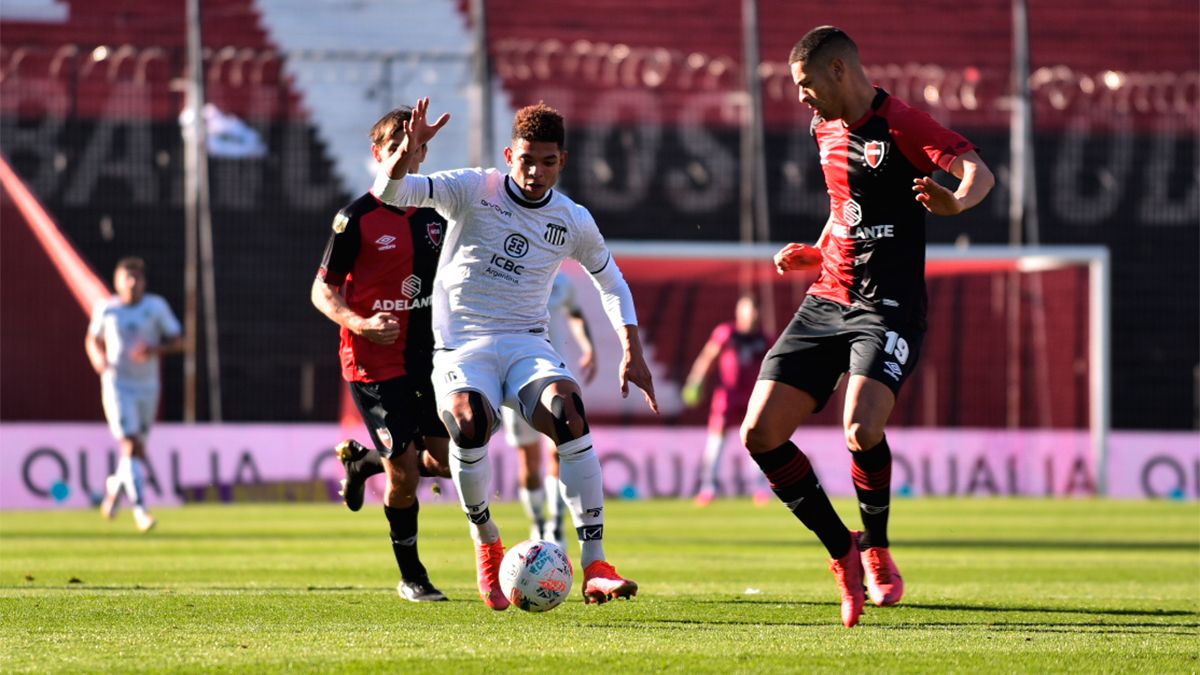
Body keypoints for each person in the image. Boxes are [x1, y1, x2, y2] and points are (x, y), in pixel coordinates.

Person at [740, 26, 994, 628]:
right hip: (827, 298)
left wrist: (956, 202)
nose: (801, 98)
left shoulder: (903, 123)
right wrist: (819, 250)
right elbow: (842, 205)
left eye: (805, 86)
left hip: (889, 306)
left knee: (859, 425)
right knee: (759, 433)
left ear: (837, 72)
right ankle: (843, 551)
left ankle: (877, 545)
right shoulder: (822, 128)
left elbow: (978, 173)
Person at [371, 97, 659, 610]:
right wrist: (408, 152)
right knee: (469, 420)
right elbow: (389, 191)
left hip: (527, 342)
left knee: (567, 410)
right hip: (464, 344)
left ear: (562, 162)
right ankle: (487, 544)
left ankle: (595, 563)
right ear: (509, 155)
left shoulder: (572, 219)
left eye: (547, 162)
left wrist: (631, 349)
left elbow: (611, 282)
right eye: (526, 160)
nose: (535, 172)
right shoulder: (472, 188)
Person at [311, 106, 454, 603]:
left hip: (429, 357)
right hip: (374, 362)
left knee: (448, 462)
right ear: (378, 154)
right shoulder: (354, 219)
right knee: (408, 474)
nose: (404, 153)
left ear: (422, 153)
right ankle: (412, 575)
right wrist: (362, 322)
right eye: (394, 145)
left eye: (412, 145)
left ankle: (364, 463)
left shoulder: (439, 214)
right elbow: (321, 291)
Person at [88, 256, 184, 533]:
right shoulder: (107, 309)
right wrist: (98, 358)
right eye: (126, 278)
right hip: (117, 384)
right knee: (129, 444)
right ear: (117, 282)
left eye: (137, 278)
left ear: (144, 282)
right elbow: (92, 339)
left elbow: (179, 341)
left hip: (147, 386)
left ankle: (115, 487)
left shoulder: (156, 307)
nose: (132, 283)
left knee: (137, 451)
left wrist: (154, 350)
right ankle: (141, 511)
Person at [501, 270, 597, 546]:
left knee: (560, 452)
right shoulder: (511, 275)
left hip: (556, 377)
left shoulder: (563, 283)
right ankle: (538, 523)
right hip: (517, 380)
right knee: (528, 460)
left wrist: (588, 347)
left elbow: (575, 313)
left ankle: (556, 526)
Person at [681, 294, 771, 507]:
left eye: (756, 311)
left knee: (757, 442)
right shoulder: (727, 333)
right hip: (728, 395)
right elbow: (708, 356)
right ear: (740, 312)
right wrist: (696, 381)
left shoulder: (765, 339)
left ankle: (759, 489)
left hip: (753, 397)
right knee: (717, 442)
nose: (753, 315)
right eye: (749, 310)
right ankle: (708, 488)